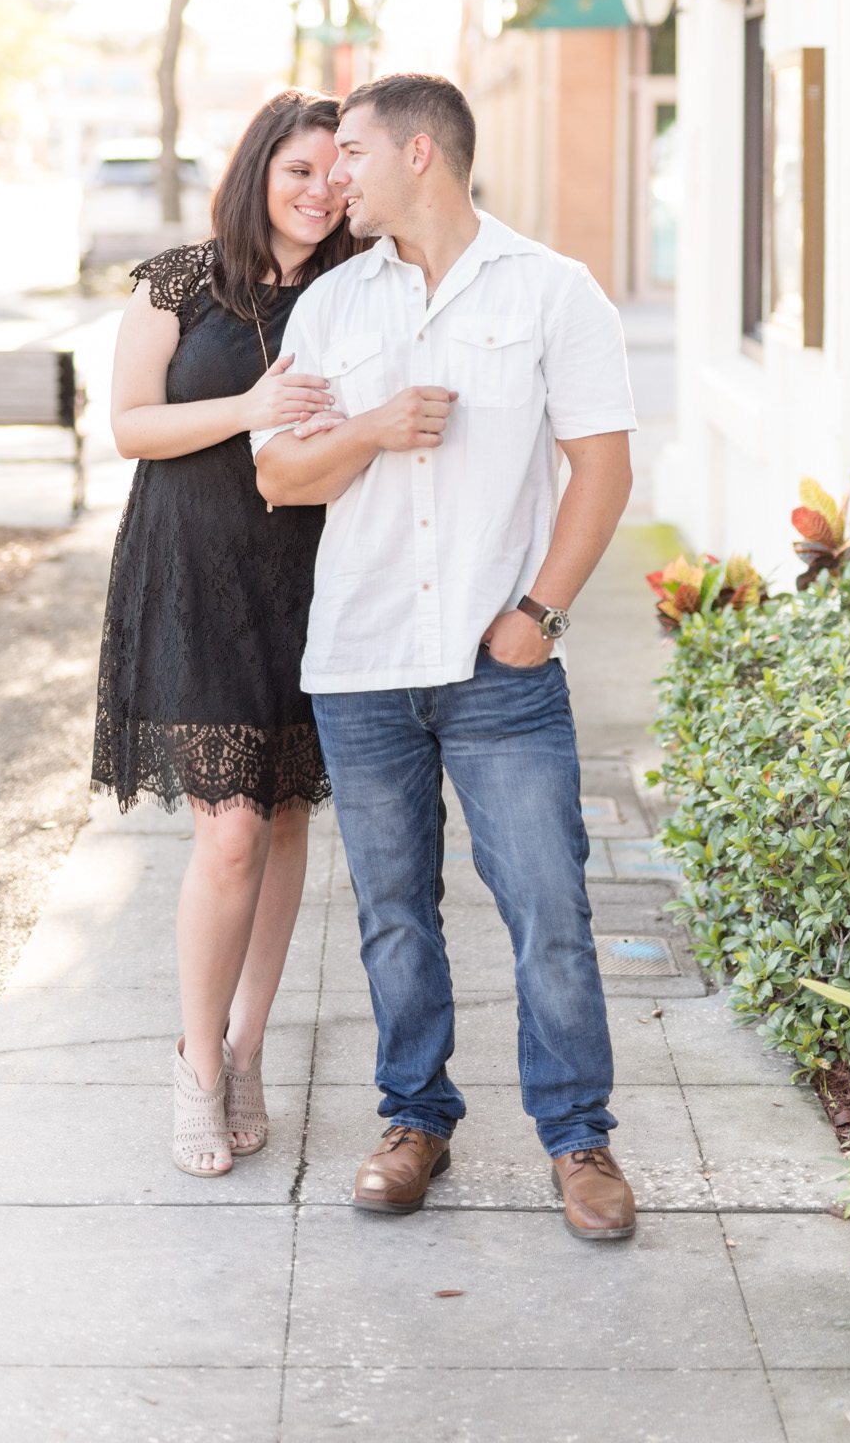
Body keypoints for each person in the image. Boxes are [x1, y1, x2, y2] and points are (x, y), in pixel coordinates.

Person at [253, 72, 640, 1241]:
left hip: (498, 667)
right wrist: (369, 429)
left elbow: (603, 467)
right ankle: (413, 1117)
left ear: (419, 152)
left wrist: (541, 611)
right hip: (362, 658)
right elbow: (280, 473)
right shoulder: (332, 310)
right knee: (389, 913)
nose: (335, 177)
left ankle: (579, 1141)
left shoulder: (552, 292)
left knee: (547, 908)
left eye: (352, 152)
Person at [93, 91, 356, 1178]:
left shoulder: (357, 292)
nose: (318, 189)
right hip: (191, 574)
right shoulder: (181, 280)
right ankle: (195, 1062)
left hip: (309, 576)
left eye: (337, 171)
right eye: (297, 169)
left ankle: (249, 1045)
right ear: (257, 172)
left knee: (285, 816)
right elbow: (129, 425)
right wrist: (249, 406)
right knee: (232, 829)